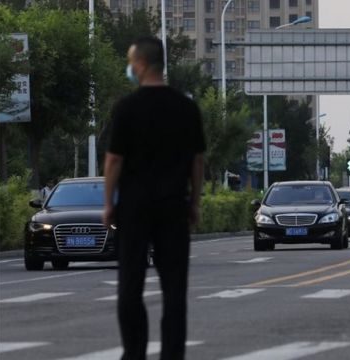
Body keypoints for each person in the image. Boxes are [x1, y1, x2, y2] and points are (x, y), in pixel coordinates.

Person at [103, 36, 206, 360]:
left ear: (142, 65)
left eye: (131, 62)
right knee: (174, 288)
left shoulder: (126, 108)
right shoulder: (186, 107)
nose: (129, 68)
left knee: (130, 285)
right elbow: (197, 161)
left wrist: (108, 203)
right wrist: (194, 203)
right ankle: (172, 354)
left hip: (134, 208)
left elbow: (114, 160)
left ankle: (134, 352)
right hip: (173, 206)